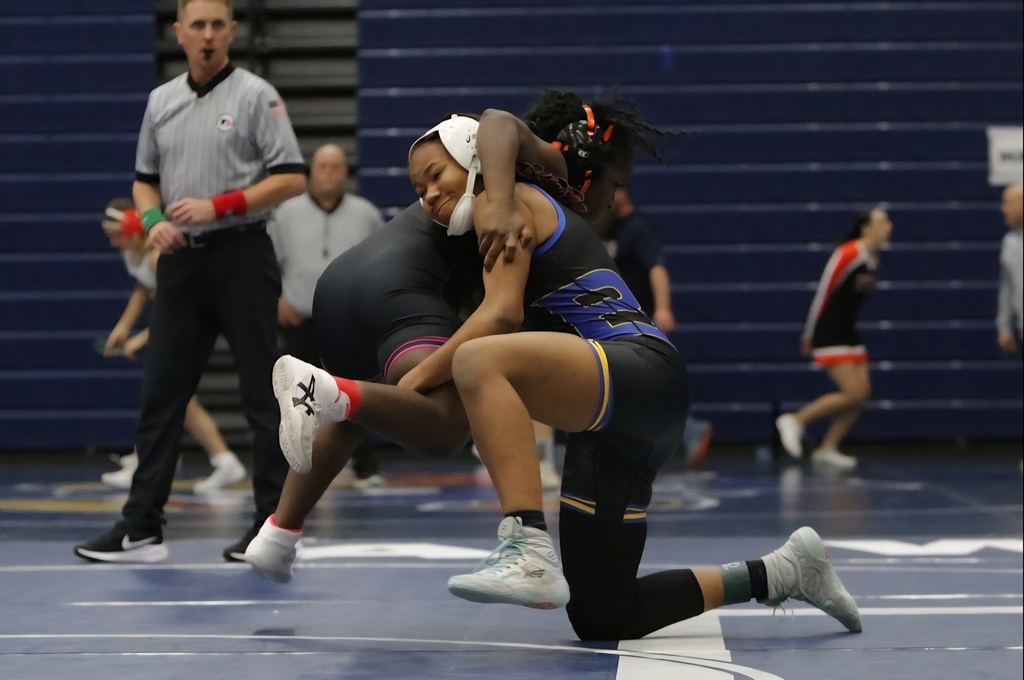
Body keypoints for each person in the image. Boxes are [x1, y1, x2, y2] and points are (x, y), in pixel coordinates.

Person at [257, 106, 862, 644]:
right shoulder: (499, 214)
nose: (428, 201)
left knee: (479, 357)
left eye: (436, 180)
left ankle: (526, 541)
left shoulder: (511, 203)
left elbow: (501, 311)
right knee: (604, 616)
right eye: (418, 189)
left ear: (472, 164)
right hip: (616, 412)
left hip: (635, 366)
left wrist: (403, 388)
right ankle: (783, 571)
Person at [244, 92, 657, 581]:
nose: (611, 201)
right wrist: (501, 199)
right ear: (592, 165)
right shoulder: (510, 193)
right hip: (400, 291)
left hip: (341, 286)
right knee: (445, 426)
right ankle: (322, 392)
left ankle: (277, 534)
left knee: (362, 406)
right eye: (614, 184)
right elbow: (497, 126)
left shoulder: (491, 189)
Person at [74, 0, 305, 564]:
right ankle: (141, 526)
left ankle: (270, 527)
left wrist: (219, 206)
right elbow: (144, 182)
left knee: (260, 392)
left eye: (216, 25)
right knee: (162, 394)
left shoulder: (256, 95)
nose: (206, 36)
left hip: (242, 254)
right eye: (195, 25)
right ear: (178, 33)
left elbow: (291, 178)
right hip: (180, 261)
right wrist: (152, 223)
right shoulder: (161, 101)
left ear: (231, 31)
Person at [99, 199, 246, 492]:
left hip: (189, 322)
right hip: (174, 323)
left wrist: (140, 338)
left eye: (115, 233)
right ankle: (223, 460)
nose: (111, 240)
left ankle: (148, 461)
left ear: (133, 229)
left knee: (165, 395)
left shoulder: (157, 257)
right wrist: (124, 326)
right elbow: (143, 289)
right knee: (178, 399)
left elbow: (177, 308)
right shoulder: (134, 253)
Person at [268, 143, 385, 488]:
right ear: (310, 172)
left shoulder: (366, 213)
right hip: (300, 321)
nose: (329, 173)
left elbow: (381, 264)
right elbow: (266, 264)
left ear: (346, 175)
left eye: (336, 167)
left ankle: (365, 467)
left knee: (355, 395)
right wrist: (276, 299)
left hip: (351, 323)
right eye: (322, 166)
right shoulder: (285, 213)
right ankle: (294, 469)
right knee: (295, 397)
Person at [600, 186, 713, 467]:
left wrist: (663, 308)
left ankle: (689, 429)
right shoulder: (607, 229)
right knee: (631, 386)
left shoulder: (637, 229)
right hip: (613, 320)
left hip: (635, 321)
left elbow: (656, 268)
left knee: (637, 384)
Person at [775, 208, 893, 470]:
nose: (889, 226)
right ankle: (795, 420)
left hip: (849, 330)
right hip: (829, 330)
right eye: (883, 222)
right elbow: (824, 292)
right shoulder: (848, 254)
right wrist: (809, 332)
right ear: (866, 227)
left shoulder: (873, 259)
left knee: (862, 394)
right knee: (851, 393)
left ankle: (828, 447)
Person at [996, 183, 1022, 354]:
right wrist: (1004, 327)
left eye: (1008, 204)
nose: (1003, 210)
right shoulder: (1010, 243)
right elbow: (1007, 287)